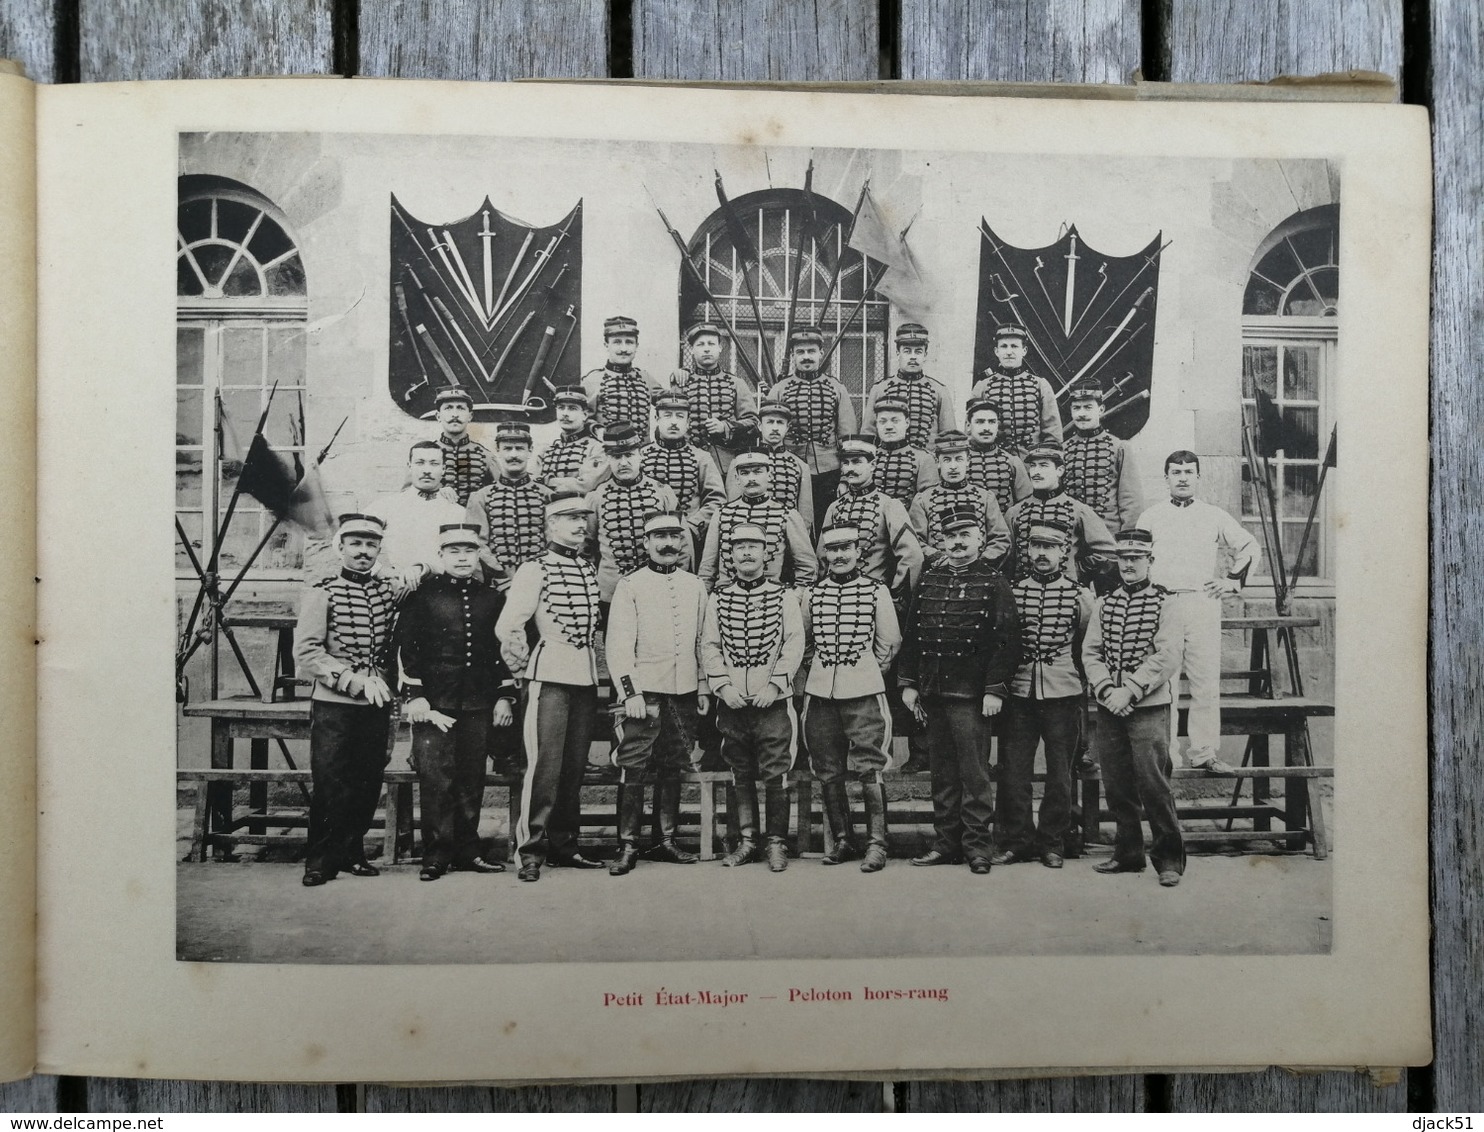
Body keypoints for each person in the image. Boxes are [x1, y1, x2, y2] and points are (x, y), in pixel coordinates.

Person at [898, 507, 1020, 874]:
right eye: (951, 536)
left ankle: (978, 847)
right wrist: (909, 684)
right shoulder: (931, 580)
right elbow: (912, 637)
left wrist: (994, 689)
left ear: (980, 539)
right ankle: (945, 843)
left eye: (966, 535)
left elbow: (1006, 641)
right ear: (942, 540)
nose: (958, 542)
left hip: (971, 696)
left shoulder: (993, 582)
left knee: (975, 775)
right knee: (943, 775)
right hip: (934, 693)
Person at [496, 492, 608, 882]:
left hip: (583, 677)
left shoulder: (587, 567)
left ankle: (565, 845)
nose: (580, 525)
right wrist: (524, 669)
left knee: (573, 768)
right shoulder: (534, 568)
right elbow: (509, 625)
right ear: (551, 524)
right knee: (543, 767)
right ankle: (530, 851)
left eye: (583, 518)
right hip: (548, 678)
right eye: (570, 518)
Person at [396, 524, 513, 881]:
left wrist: (505, 696)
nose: (462, 558)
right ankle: (436, 854)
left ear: (478, 555)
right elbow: (406, 649)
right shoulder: (423, 595)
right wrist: (415, 696)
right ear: (441, 557)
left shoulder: (491, 598)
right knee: (436, 778)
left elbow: (502, 652)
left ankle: (468, 851)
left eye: (469, 551)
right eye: (454, 552)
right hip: (435, 702)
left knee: (471, 778)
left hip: (478, 701)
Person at [1135, 450, 1260, 774]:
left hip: (1203, 604)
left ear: (1198, 477)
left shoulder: (1213, 515)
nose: (1182, 477)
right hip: (1163, 606)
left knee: (1205, 682)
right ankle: (1167, 756)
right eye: (1175, 472)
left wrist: (1231, 582)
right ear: (1166, 478)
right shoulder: (1150, 517)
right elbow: (1136, 559)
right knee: (1166, 684)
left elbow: (1249, 547)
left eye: (1189, 472)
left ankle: (1204, 752)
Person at [293, 514, 400, 887]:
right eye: (355, 544)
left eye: (371, 545)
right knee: (330, 781)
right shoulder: (323, 591)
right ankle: (320, 860)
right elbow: (307, 652)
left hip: (377, 701)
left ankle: (353, 852)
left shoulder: (388, 591)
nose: (363, 552)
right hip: (335, 702)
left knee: (367, 781)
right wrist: (350, 679)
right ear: (340, 548)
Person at [606, 512, 710, 875]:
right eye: (658, 537)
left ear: (682, 542)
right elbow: (618, 645)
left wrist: (702, 686)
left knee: (674, 765)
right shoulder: (630, 585)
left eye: (673, 536)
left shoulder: (695, 585)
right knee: (633, 765)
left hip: (682, 691)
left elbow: (702, 640)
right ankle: (628, 845)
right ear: (646, 543)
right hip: (644, 694)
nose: (667, 543)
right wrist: (629, 693)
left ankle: (665, 840)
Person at [1082, 528, 1185, 887]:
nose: (1128, 564)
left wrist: (1130, 690)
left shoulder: (1166, 602)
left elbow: (1168, 654)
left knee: (1154, 784)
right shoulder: (1104, 602)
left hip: (1148, 706)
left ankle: (1169, 859)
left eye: (1136, 558)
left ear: (1150, 561)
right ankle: (1128, 854)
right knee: (1117, 784)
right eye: (1123, 558)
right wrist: (1108, 689)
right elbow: (1091, 652)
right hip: (1111, 704)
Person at [701, 523, 806, 872]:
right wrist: (723, 686)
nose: (747, 553)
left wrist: (775, 685)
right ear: (730, 555)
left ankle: (776, 842)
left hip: (772, 702)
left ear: (767, 553)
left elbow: (793, 643)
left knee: (777, 771)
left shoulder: (784, 596)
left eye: (754, 546)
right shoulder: (719, 598)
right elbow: (710, 645)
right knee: (738, 769)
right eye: (739, 546)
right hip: (732, 702)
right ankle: (747, 840)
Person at [801, 524, 902, 873]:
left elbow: (889, 643)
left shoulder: (876, 591)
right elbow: (806, 641)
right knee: (827, 767)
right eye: (833, 549)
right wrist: (821, 668)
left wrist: (864, 670)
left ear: (859, 551)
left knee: (869, 765)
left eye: (847, 548)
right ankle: (843, 839)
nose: (840, 555)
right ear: (825, 554)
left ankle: (877, 843)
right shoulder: (812, 594)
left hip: (863, 691)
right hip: (821, 692)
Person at [993, 519, 1094, 869]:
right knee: (1013, 771)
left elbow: (1087, 646)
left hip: (1063, 691)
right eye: (1036, 546)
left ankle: (1053, 841)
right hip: (1020, 693)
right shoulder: (1013, 591)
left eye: (1049, 547)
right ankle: (1016, 840)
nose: (1041, 553)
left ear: (1063, 552)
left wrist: (1079, 681)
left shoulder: (1080, 596)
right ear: (1027, 550)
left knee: (1060, 773)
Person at [818, 435, 924, 610]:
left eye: (857, 462)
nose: (850, 468)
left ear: (873, 465)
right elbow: (822, 559)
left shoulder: (889, 505)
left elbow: (912, 556)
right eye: (846, 463)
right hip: (835, 599)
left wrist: (895, 598)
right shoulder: (834, 508)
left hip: (872, 600)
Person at [765, 326, 857, 525]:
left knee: (827, 523)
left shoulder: (836, 388)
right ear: (792, 355)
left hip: (828, 473)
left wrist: (844, 478)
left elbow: (848, 438)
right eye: (800, 352)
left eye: (811, 351)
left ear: (821, 353)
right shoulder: (779, 389)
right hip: (789, 470)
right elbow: (768, 435)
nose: (806, 357)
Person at [585, 421, 680, 606]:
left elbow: (680, 546)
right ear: (607, 458)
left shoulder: (662, 492)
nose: (623, 463)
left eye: (629, 455)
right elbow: (586, 549)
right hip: (611, 595)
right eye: (616, 457)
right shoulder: (596, 498)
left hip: (657, 590)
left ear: (641, 455)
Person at [698, 449, 816, 592]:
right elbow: (707, 568)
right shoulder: (722, 514)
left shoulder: (787, 514)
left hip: (770, 599)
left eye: (757, 471)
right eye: (745, 473)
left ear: (769, 475)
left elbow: (807, 566)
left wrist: (795, 598)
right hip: (727, 600)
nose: (751, 478)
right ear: (736, 478)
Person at [1002, 445, 1117, 585]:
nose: (1036, 472)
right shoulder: (1015, 512)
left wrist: (1078, 569)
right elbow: (1007, 559)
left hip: (1066, 592)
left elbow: (1109, 553)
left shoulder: (1078, 510)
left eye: (1043, 466)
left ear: (1060, 470)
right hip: (1025, 593)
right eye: (1033, 466)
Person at [366, 441, 467, 593]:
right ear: (410, 466)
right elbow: (341, 540)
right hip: (401, 591)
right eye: (420, 463)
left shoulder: (457, 511)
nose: (427, 470)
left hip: (446, 593)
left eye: (434, 464)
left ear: (443, 469)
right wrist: (379, 571)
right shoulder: (388, 505)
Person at [639, 391, 726, 563]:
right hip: (648, 538)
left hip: (689, 541)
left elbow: (717, 500)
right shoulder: (641, 456)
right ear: (656, 419)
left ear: (688, 422)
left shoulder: (701, 458)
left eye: (679, 416)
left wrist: (692, 527)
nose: (673, 422)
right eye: (667, 416)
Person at [465, 422, 552, 590]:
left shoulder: (546, 495)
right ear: (497, 450)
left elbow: (553, 541)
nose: (513, 455)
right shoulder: (480, 497)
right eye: (507, 448)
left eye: (519, 448)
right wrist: (501, 576)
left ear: (530, 451)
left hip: (541, 581)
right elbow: (477, 543)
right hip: (497, 584)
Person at [908, 429, 1011, 569]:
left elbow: (1001, 538)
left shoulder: (985, 497)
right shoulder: (922, 500)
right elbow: (915, 540)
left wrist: (980, 563)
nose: (953, 466)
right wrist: (939, 558)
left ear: (968, 461)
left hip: (978, 574)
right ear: (938, 462)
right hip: (938, 573)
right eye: (947, 460)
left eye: (959, 459)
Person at [668, 322, 759, 472]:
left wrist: (725, 427)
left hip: (726, 462)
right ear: (692, 350)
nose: (706, 348)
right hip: (688, 461)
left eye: (711, 343)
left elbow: (754, 424)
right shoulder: (682, 382)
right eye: (700, 344)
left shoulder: (736, 383)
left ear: (720, 348)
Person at [1062, 381, 1145, 532]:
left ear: (1100, 410)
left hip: (1108, 537)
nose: (1082, 414)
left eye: (1088, 407)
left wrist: (1126, 540)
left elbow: (1131, 501)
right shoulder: (1063, 450)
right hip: (1070, 538)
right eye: (1076, 408)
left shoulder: (1119, 448)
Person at [969, 324, 1062, 456]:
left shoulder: (1040, 385)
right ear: (996, 351)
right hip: (994, 462)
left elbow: (1053, 433)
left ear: (1024, 351)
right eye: (1004, 346)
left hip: (1031, 462)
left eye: (1014, 346)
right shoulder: (982, 386)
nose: (1009, 352)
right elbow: (971, 432)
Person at [862, 322, 955, 450]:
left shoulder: (939, 391)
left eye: (918, 352)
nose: (912, 357)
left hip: (927, 464)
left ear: (925, 355)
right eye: (907, 351)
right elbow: (868, 434)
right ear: (898, 353)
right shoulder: (879, 390)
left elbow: (948, 436)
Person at [725, 401, 813, 532]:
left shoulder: (800, 466)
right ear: (760, 425)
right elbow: (733, 507)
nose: (775, 428)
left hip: (787, 533)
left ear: (788, 427)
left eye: (780, 423)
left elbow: (805, 517)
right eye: (770, 422)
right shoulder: (739, 462)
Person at [581, 315, 668, 435]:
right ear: (606, 345)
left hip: (641, 451)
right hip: (605, 451)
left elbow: (672, 402)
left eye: (629, 342)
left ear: (636, 346)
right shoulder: (592, 380)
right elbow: (581, 418)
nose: (624, 349)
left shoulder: (646, 378)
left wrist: (681, 374)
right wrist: (597, 429)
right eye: (617, 342)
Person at [965, 397, 1032, 515]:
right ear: (968, 426)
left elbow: (1026, 505)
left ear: (997, 425)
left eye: (992, 422)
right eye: (980, 422)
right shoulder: (957, 461)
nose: (986, 428)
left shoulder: (1012, 462)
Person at [868, 395, 938, 507]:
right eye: (882, 421)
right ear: (876, 424)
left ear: (907, 423)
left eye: (895, 421)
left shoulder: (923, 459)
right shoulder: (868, 457)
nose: (889, 426)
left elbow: (927, 503)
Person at [537, 386, 608, 493]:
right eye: (561, 408)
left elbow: (586, 485)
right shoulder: (547, 449)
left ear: (584, 415)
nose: (565, 413)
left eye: (572, 408)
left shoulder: (597, 448)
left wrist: (546, 482)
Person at [432, 387, 494, 506]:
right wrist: (436, 493)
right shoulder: (425, 454)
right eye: (448, 408)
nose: (455, 414)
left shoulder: (485, 456)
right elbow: (408, 496)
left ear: (470, 416)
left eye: (460, 408)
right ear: (438, 416)